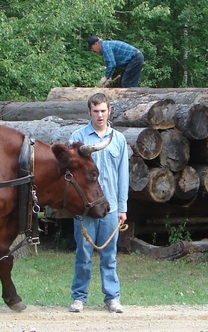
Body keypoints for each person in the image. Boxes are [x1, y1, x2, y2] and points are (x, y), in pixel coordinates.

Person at [68, 93, 129, 313]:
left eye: (103, 110)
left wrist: (122, 207)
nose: (100, 115)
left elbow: (123, 175)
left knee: (109, 255)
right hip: (85, 207)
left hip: (110, 206)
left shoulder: (118, 139)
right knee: (83, 253)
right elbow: (70, 175)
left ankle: (112, 298)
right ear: (89, 112)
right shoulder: (77, 137)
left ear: (109, 111)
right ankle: (79, 298)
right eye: (95, 111)